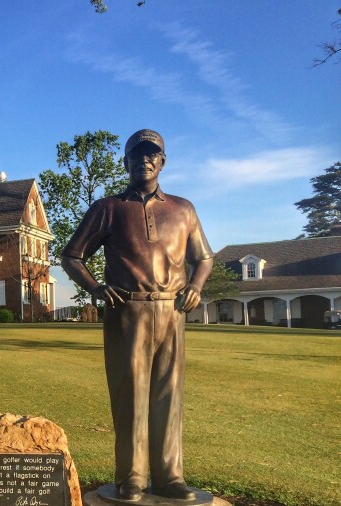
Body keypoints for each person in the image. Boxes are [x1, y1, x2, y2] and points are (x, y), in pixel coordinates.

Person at [61, 129, 213, 501]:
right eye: (136, 154)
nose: (144, 160)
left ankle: (169, 477)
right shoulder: (108, 208)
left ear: (162, 161)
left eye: (151, 154)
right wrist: (96, 288)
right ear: (126, 161)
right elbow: (72, 256)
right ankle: (131, 478)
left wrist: (196, 286)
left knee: (168, 395)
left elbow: (204, 258)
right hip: (126, 312)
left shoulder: (183, 209)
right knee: (130, 395)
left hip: (172, 311)